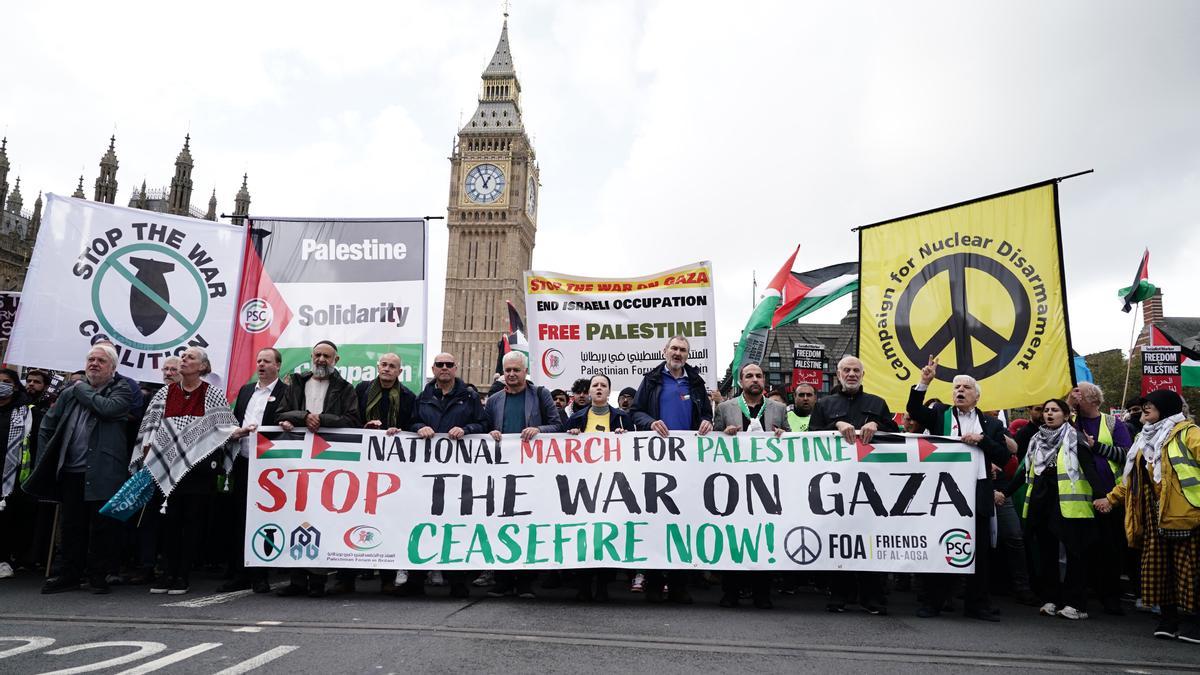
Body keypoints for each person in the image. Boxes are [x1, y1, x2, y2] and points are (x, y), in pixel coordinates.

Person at [906, 358, 1012, 620]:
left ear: (976, 396)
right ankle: (934, 602)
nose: (960, 391)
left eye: (966, 388)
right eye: (957, 388)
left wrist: (982, 440)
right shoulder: (940, 415)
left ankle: (977, 604)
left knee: (980, 551)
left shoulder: (992, 425)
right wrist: (924, 382)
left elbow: (1003, 457)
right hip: (944, 494)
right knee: (941, 545)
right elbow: (914, 410)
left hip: (978, 492)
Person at [25, 344, 134, 594]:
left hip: (103, 470)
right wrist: (46, 459)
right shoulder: (68, 393)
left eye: (101, 361)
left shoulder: (121, 389)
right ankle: (69, 575)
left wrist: (81, 387)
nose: (94, 364)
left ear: (113, 368)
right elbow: (47, 426)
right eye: (91, 360)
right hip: (71, 470)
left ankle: (98, 575)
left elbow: (108, 409)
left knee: (102, 526)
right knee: (72, 525)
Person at [131, 346, 237, 595]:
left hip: (198, 468)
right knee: (168, 521)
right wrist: (147, 450)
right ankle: (167, 572)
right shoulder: (164, 394)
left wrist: (237, 432)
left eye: (190, 357)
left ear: (202, 366)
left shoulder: (211, 393)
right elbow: (150, 427)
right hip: (165, 466)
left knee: (191, 522)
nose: (184, 360)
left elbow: (224, 426)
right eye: (183, 357)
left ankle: (182, 575)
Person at [1096, 390, 1200, 642]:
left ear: (1166, 408)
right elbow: (1131, 478)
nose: (1144, 410)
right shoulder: (1143, 438)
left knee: (1189, 571)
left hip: (1186, 514)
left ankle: (1194, 623)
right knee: (1159, 570)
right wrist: (1110, 499)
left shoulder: (1189, 432)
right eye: (1144, 407)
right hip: (1154, 515)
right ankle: (1168, 619)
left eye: (1150, 406)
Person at [809, 355, 897, 614]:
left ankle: (873, 598)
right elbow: (811, 436)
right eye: (846, 370)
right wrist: (835, 424)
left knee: (869, 540)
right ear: (838, 375)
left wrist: (876, 423)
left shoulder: (877, 404)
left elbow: (896, 432)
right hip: (836, 484)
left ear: (862, 375)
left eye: (856, 370)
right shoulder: (825, 404)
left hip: (872, 485)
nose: (851, 374)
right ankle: (839, 596)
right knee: (839, 540)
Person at [630, 335, 713, 604]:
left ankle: (679, 585)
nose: (678, 353)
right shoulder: (651, 379)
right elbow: (636, 412)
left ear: (688, 355)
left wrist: (706, 422)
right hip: (657, 460)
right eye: (674, 348)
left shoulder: (696, 381)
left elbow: (707, 415)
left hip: (687, 461)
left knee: (683, 521)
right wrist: (651, 423)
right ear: (664, 351)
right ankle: (654, 584)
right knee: (656, 521)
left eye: (683, 350)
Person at [275, 340, 361, 598]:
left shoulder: (345, 388)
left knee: (322, 517)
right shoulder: (296, 384)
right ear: (311, 357)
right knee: (295, 514)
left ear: (336, 360)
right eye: (318, 355)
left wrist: (321, 419)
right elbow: (280, 412)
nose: (321, 359)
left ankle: (318, 581)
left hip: (328, 461)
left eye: (327, 356)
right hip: (297, 462)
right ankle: (297, 579)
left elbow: (352, 419)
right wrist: (302, 417)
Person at [398, 352, 487, 599]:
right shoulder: (423, 397)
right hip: (426, 474)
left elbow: (484, 424)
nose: (445, 368)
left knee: (456, 526)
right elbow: (411, 423)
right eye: (440, 365)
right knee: (423, 523)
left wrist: (467, 429)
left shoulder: (469, 396)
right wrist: (419, 428)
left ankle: (457, 582)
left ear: (455, 368)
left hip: (460, 473)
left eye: (449, 364)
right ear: (434, 368)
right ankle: (415, 580)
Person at [1003, 398, 1100, 620]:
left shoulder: (1076, 438)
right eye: (1046, 410)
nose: (1049, 414)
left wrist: (1103, 496)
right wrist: (1005, 493)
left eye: (1055, 410)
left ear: (1066, 416)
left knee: (1074, 552)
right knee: (1047, 552)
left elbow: (1088, 467)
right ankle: (1051, 599)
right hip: (1041, 499)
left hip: (1068, 503)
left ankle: (1075, 604)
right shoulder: (1037, 439)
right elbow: (1024, 472)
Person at [484, 351, 562, 599]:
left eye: (516, 370)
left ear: (525, 371)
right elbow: (483, 428)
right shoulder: (494, 399)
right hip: (501, 471)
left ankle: (525, 583)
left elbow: (558, 425)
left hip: (532, 472)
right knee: (501, 523)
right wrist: (490, 434)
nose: (511, 374)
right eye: (507, 370)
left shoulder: (540, 395)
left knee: (528, 524)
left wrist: (538, 430)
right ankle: (503, 580)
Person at [713, 363, 788, 609]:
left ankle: (762, 593)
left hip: (767, 482)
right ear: (741, 381)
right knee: (733, 537)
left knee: (764, 536)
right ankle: (731, 591)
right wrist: (724, 433)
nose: (754, 379)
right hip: (734, 481)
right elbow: (712, 443)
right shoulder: (725, 408)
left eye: (758, 375)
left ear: (763, 380)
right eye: (749, 376)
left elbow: (791, 440)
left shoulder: (777, 408)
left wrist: (783, 435)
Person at [221, 348, 288, 594]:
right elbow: (236, 419)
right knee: (240, 518)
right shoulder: (247, 390)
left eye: (267, 361)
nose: (261, 364)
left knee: (265, 519)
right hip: (244, 459)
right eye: (259, 360)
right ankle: (239, 572)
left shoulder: (286, 392)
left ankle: (261, 573)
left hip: (272, 466)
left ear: (278, 365)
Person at [564, 373, 633, 602]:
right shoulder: (576, 418)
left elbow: (636, 449)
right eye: (595, 385)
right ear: (590, 391)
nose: (599, 388)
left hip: (612, 485)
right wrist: (571, 436)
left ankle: (603, 586)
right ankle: (583, 585)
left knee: (605, 536)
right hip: (583, 486)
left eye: (604, 385)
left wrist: (626, 437)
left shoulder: (622, 418)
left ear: (609, 391)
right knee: (584, 534)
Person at [1069, 382, 1132, 615]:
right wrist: (1068, 406)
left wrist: (1097, 448)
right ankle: (1088, 592)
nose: (1075, 398)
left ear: (1093, 400)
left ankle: (1111, 596)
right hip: (1078, 496)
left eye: (1079, 395)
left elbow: (1127, 454)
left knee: (1110, 548)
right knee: (1084, 547)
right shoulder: (1072, 422)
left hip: (1109, 495)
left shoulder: (1114, 423)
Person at [0, 368, 34, 579]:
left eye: (6, 381)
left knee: (5, 518)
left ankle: (4, 558)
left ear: (15, 386)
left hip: (10, 472)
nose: (2, 384)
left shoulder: (25, 411)